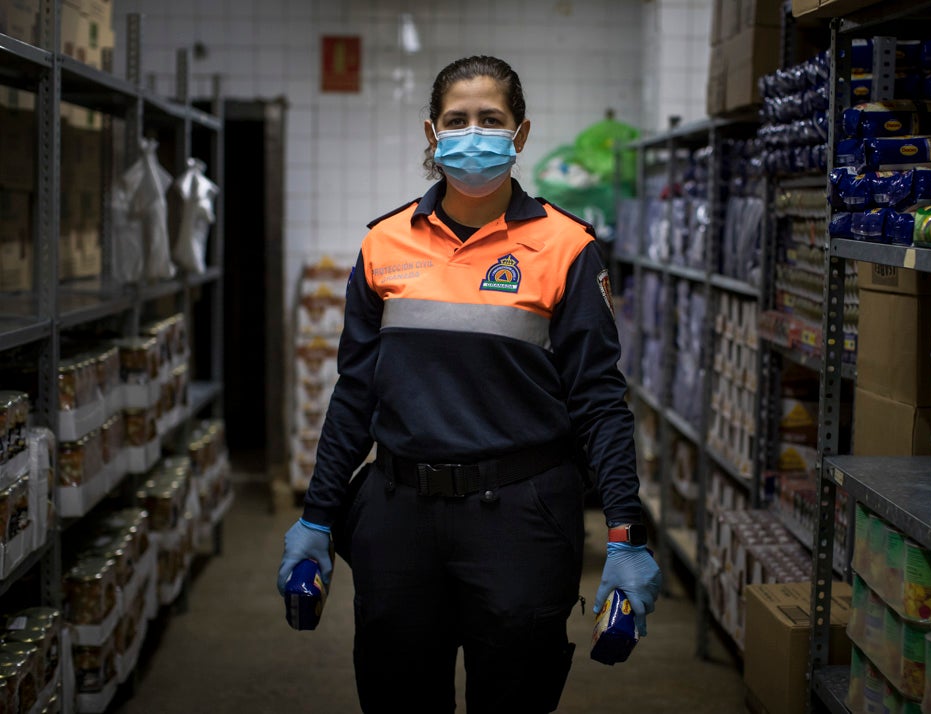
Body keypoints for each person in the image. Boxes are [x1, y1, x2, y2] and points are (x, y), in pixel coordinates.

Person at [276, 55, 662, 714]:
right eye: (457, 120)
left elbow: (600, 401)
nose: (473, 134)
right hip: (398, 515)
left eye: (492, 119)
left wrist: (624, 534)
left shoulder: (566, 248)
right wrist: (317, 515)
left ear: (521, 133)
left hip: (521, 518)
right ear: (432, 133)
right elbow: (355, 393)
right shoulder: (384, 244)